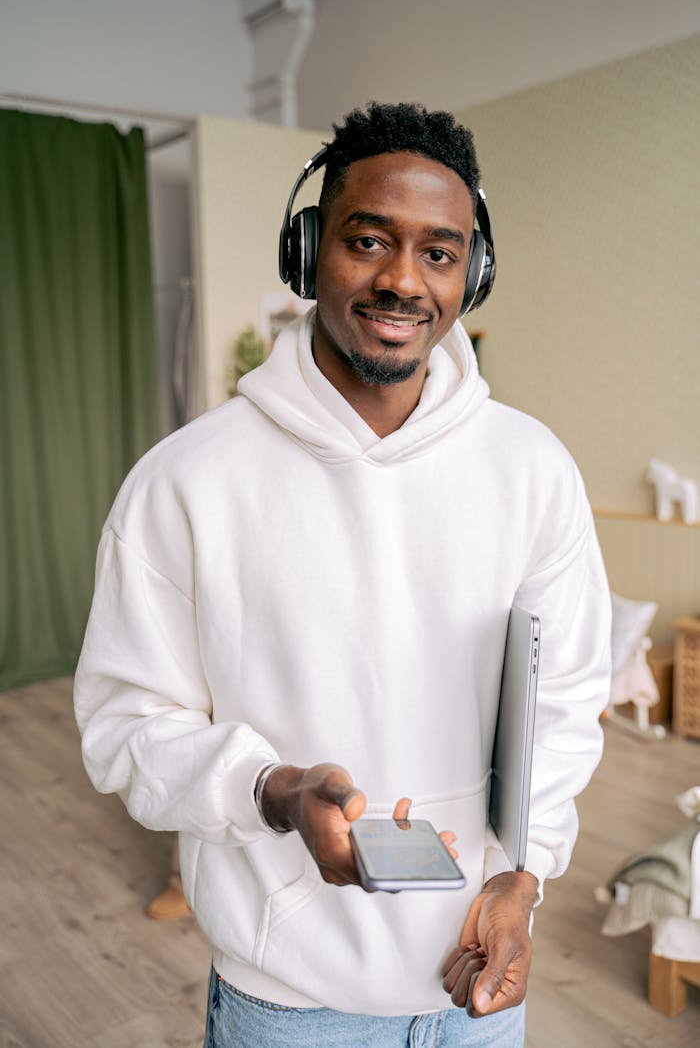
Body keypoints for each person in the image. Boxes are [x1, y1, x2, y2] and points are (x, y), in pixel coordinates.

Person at [74, 102, 611, 1047]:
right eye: (368, 240)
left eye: (440, 253)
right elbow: (126, 730)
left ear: (473, 274)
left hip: (481, 978)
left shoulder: (533, 470)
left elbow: (566, 704)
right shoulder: (186, 482)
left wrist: (524, 878)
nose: (403, 280)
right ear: (308, 250)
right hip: (288, 1002)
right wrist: (271, 791)